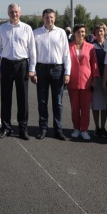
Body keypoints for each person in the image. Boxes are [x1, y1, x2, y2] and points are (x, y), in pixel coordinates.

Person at [0, 3, 36, 140]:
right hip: (6, 64)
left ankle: (23, 129)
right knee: (6, 98)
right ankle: (5, 128)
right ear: (8, 14)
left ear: (20, 13)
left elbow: (32, 50)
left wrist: (32, 69)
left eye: (16, 12)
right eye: (12, 12)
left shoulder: (27, 28)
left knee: (23, 99)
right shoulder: (2, 28)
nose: (14, 14)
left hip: (22, 65)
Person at [31, 9, 71, 140]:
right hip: (41, 69)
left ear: (55, 18)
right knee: (42, 101)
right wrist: (33, 71)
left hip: (57, 70)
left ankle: (58, 130)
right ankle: (43, 129)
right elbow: (33, 54)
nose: (49, 19)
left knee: (58, 102)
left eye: (52, 17)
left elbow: (66, 54)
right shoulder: (36, 33)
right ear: (43, 18)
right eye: (47, 17)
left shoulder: (61, 33)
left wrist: (67, 72)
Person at [67, 23, 98, 140]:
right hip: (73, 81)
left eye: (83, 32)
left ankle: (84, 130)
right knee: (75, 108)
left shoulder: (90, 47)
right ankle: (76, 128)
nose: (81, 34)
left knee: (85, 108)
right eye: (79, 32)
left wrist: (94, 80)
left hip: (87, 82)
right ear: (74, 33)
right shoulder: (68, 46)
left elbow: (94, 65)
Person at [90, 23, 107, 138]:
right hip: (95, 78)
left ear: (105, 32)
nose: (100, 33)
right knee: (95, 103)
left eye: (102, 31)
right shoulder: (90, 46)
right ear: (95, 33)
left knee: (105, 104)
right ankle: (96, 127)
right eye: (97, 31)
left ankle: (103, 127)